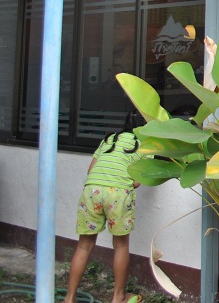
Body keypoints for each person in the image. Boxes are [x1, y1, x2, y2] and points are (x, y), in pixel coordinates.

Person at [62, 110, 146, 303]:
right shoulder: (146, 145)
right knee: (120, 245)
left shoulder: (109, 140)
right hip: (118, 194)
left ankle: (69, 298)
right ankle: (119, 297)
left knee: (84, 245)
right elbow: (136, 182)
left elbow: (91, 170)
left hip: (92, 191)